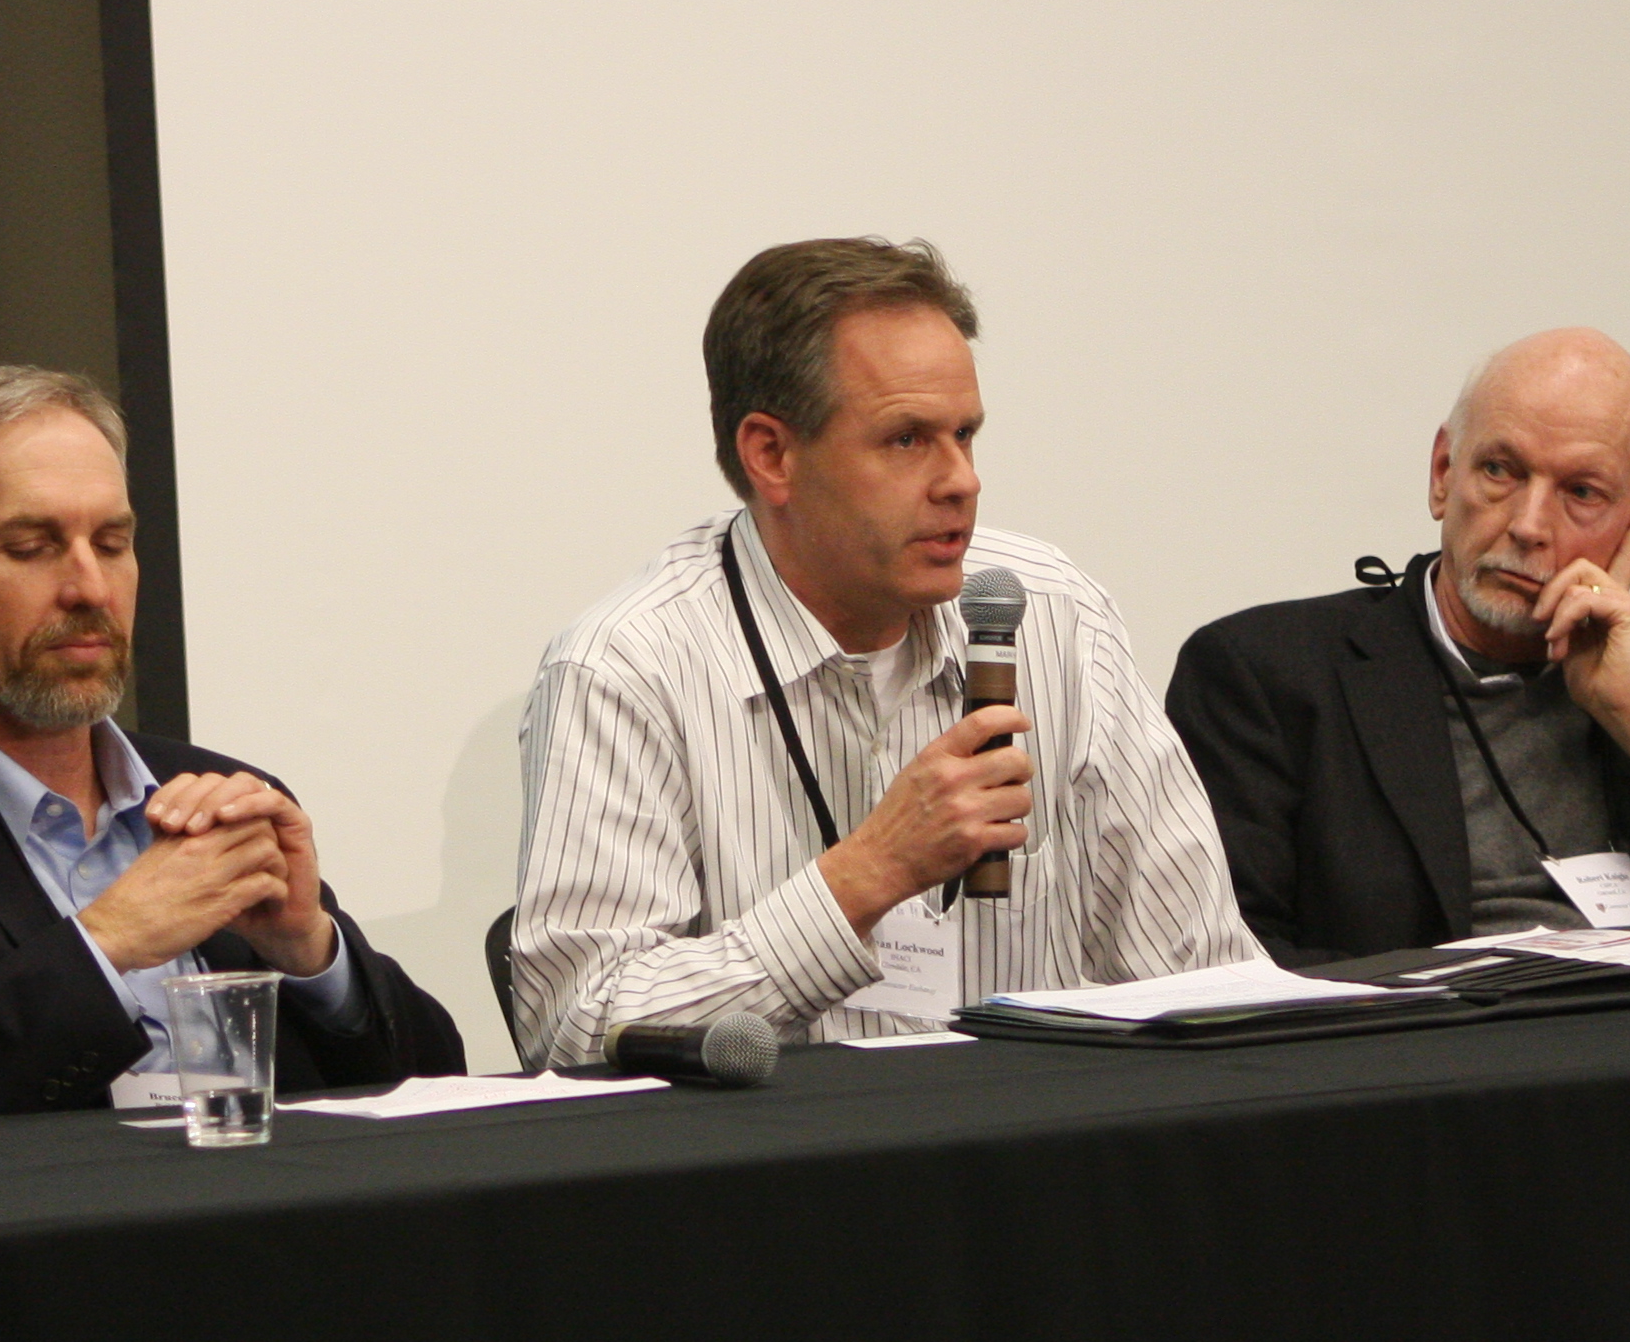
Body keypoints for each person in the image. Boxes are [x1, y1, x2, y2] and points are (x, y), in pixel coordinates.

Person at [511, 237, 1254, 1065]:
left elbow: (1208, 975)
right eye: (907, 440)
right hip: (786, 1144)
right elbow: (576, 1030)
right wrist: (868, 874)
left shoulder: (1055, 615)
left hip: (1035, 1130)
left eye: (965, 434)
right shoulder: (625, 670)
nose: (962, 480)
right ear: (772, 455)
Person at [0, 367, 461, 1135]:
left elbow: (441, 1096)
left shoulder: (225, 798)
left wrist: (311, 952)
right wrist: (106, 944)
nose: (90, 588)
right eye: (32, 547)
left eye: (112, 543)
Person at [1166, 326, 1630, 962]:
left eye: (1582, 492)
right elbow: (1229, 962)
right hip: (1425, 1062)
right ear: (1443, 474)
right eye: (1500, 471)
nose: (1529, 525)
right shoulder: (1267, 674)